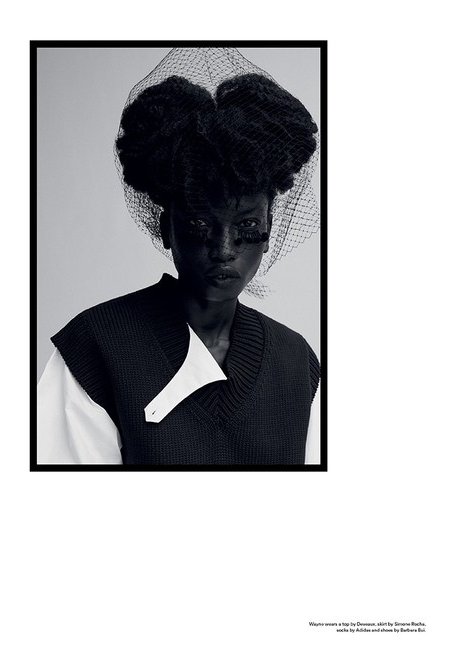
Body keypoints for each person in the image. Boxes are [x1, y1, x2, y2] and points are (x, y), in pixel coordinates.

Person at [37, 48, 321, 465]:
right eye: (199, 225)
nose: (224, 250)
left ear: (269, 228)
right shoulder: (95, 350)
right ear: (165, 227)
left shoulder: (296, 364)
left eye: (246, 226)